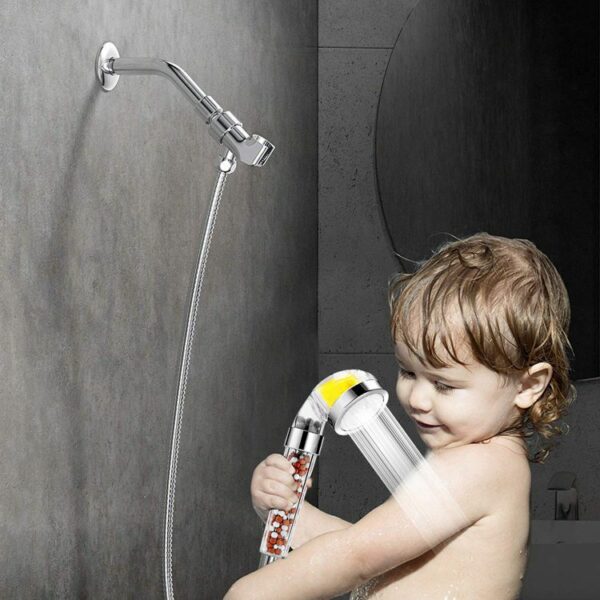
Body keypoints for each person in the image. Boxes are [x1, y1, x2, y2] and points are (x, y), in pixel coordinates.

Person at [224, 233, 574, 600]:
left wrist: (247, 593)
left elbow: (356, 558)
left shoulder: (480, 468)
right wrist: (286, 514)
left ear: (527, 386)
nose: (417, 398)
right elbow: (371, 555)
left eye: (444, 385)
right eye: (408, 372)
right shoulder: (479, 462)